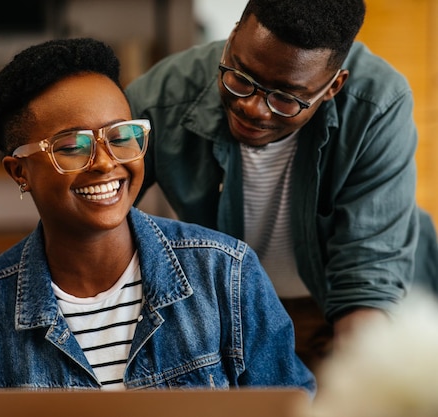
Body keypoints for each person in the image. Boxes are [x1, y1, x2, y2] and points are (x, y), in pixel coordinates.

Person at [0, 38, 315, 417]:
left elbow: (293, 409)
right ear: (19, 172)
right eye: (71, 146)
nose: (104, 162)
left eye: (121, 136)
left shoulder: (226, 274)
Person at [125, 0, 437, 371]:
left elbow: (366, 287)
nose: (254, 108)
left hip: (346, 313)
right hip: (238, 314)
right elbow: (95, 213)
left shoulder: (377, 105)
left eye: (286, 99)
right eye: (241, 78)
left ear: (333, 87)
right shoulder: (163, 98)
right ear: (233, 37)